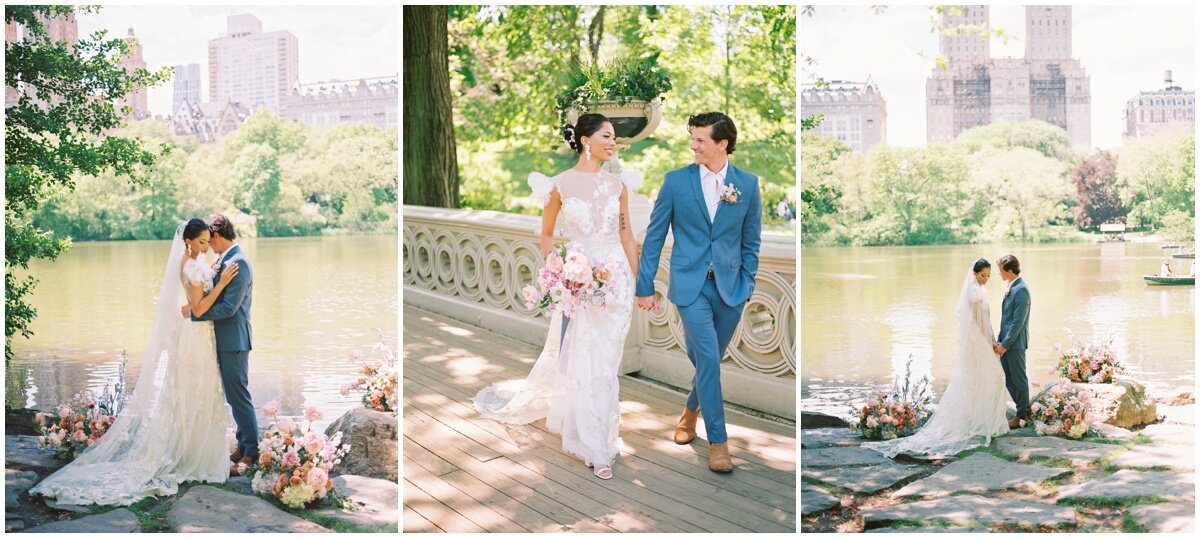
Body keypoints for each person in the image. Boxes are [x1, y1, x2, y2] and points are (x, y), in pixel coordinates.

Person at [472, 113, 640, 480]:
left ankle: (603, 429)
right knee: (584, 356)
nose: (614, 143)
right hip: (580, 282)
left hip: (617, 285)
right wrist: (562, 270)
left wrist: (640, 282)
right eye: (607, 136)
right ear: (585, 140)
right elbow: (547, 234)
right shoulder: (559, 186)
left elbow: (627, 236)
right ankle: (594, 445)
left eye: (615, 138)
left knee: (607, 360)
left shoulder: (619, 185)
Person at [31, 219, 235, 506]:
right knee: (195, 391)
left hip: (196, 334)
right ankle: (192, 457)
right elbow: (200, 308)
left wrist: (203, 292)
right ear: (188, 241)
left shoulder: (188, 261)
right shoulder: (190, 265)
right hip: (195, 337)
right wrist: (222, 283)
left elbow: (194, 304)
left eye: (207, 242)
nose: (205, 247)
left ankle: (193, 451)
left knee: (196, 393)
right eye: (201, 242)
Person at [635, 112, 763, 473]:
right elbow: (655, 237)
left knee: (708, 360)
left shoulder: (748, 185)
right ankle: (719, 442)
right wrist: (644, 286)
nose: (693, 145)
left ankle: (690, 412)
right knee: (706, 357)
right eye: (692, 139)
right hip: (690, 287)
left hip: (731, 290)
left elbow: (751, 241)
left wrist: (747, 281)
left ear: (722, 143)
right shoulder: (676, 182)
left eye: (701, 140)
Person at [862, 259, 1009, 458]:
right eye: (983, 275)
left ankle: (982, 420)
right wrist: (991, 341)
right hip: (979, 341)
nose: (986, 279)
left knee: (981, 378)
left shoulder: (977, 290)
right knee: (993, 377)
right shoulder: (975, 292)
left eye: (989, 275)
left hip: (976, 340)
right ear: (975, 274)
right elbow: (980, 322)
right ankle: (983, 422)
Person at [189, 214, 258, 474]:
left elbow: (230, 307)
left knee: (239, 397)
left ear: (217, 235)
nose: (207, 246)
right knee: (233, 396)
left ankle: (252, 451)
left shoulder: (239, 262)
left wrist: (196, 313)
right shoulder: (223, 260)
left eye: (209, 240)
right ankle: (242, 445)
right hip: (223, 338)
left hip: (234, 340)